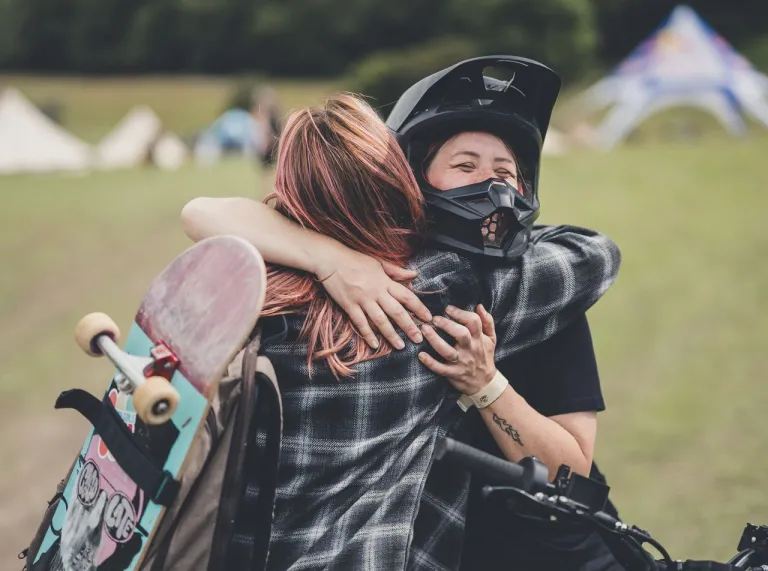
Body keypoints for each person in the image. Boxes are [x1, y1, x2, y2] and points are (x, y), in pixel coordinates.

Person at [183, 59, 622, 570]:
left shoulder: (265, 297)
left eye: (506, 171)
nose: (493, 186)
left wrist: (487, 385)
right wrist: (337, 261)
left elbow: (204, 213)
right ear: (410, 179)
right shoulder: (436, 294)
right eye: (465, 166)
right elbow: (598, 253)